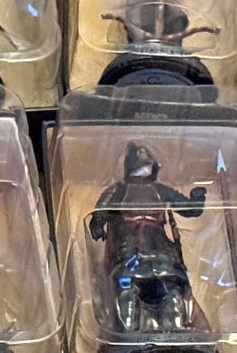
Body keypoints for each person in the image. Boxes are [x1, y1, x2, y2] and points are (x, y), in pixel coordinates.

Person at [86, 143, 208, 337]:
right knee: (126, 300)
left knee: (172, 297)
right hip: (129, 255)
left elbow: (189, 208)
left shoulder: (160, 190)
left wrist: (198, 198)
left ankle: (176, 337)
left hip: (161, 254)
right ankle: (127, 340)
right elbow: (99, 214)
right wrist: (98, 224)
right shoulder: (117, 191)